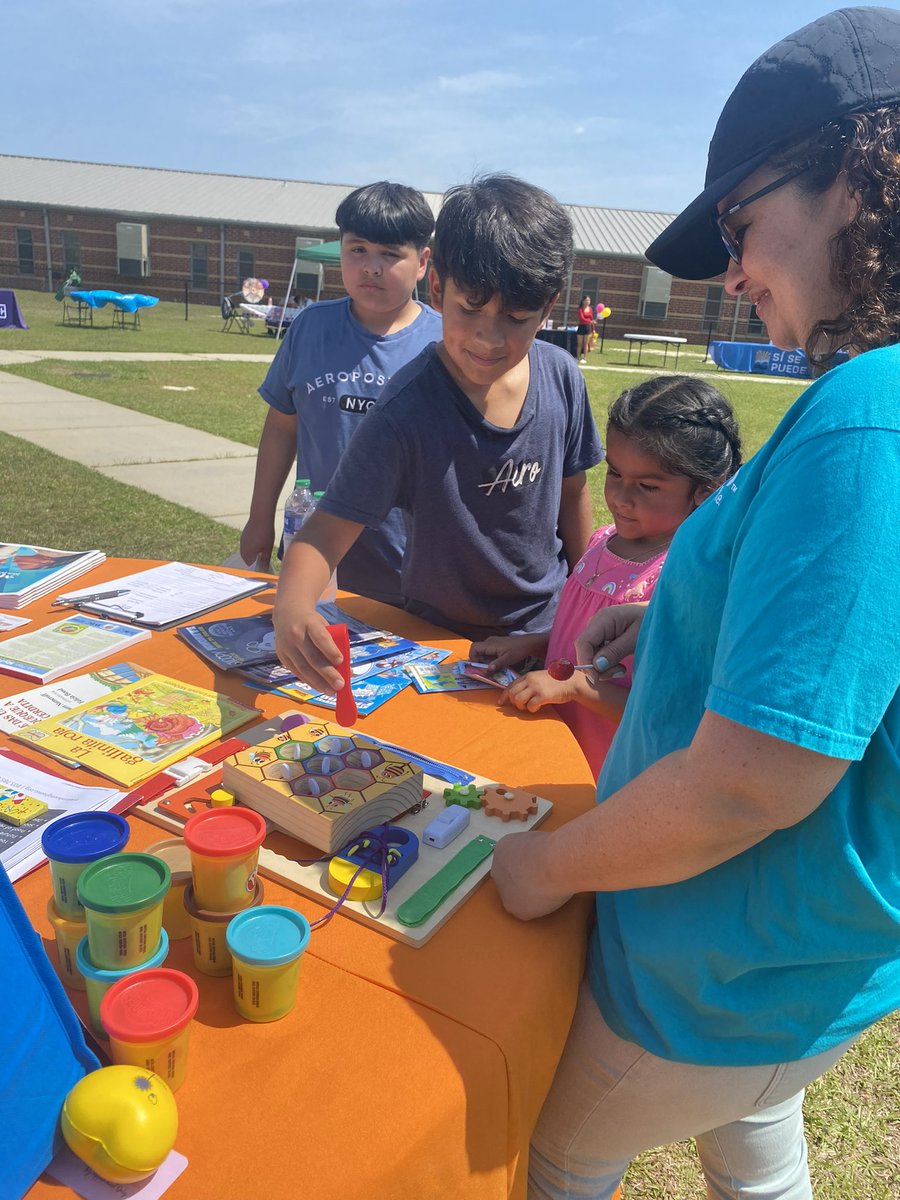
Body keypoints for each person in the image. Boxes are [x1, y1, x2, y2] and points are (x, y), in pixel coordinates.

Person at [489, 8, 900, 1199]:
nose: (733, 269)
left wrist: (548, 870)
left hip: (705, 972)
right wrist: (673, 621)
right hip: (794, 974)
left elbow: (749, 782)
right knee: (758, 1149)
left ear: (858, 183)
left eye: (740, 223)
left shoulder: (871, 411)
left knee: (551, 1161)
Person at [272, 174, 604, 694]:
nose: (487, 338)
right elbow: (323, 533)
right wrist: (292, 608)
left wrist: (586, 606)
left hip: (550, 633)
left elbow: (573, 492)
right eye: (469, 309)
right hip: (441, 650)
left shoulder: (562, 374)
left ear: (549, 307)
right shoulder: (405, 411)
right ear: (437, 287)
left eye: (516, 318)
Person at [470, 375, 741, 779]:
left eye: (647, 486)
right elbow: (592, 646)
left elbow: (668, 711)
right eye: (614, 474)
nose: (619, 497)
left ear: (705, 490)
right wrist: (540, 645)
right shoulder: (601, 541)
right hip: (553, 751)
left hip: (614, 775)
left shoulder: (682, 581)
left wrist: (574, 688)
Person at [238, 181, 441, 605]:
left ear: (422, 262)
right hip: (315, 552)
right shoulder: (311, 326)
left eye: (390, 254)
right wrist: (260, 517)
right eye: (358, 249)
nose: (371, 267)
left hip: (409, 562)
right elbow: (281, 428)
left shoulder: (443, 342)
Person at [576, 294, 593, 363]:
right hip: (581, 327)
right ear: (583, 301)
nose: (587, 301)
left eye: (589, 300)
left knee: (586, 344)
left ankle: (585, 358)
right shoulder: (580, 309)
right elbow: (582, 319)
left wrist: (593, 328)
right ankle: (578, 357)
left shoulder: (590, 309)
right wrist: (590, 321)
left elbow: (591, 319)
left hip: (588, 327)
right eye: (586, 300)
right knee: (579, 343)